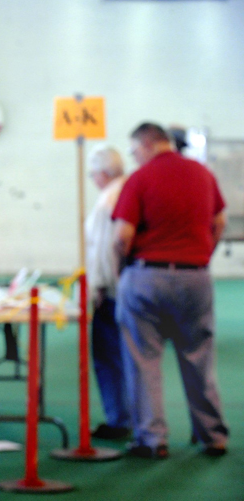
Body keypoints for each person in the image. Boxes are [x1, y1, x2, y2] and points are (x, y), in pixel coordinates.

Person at [112, 122, 228, 458]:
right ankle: (212, 435)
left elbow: (122, 236)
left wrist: (123, 270)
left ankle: (152, 438)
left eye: (134, 151)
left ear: (146, 145)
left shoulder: (141, 178)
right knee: (199, 356)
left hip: (147, 275)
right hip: (196, 277)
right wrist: (203, 255)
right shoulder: (202, 174)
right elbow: (219, 222)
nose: (135, 158)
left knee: (144, 359)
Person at [84, 144, 132, 440]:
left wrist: (98, 286)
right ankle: (132, 417)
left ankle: (118, 418)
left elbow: (104, 251)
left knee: (108, 356)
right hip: (130, 286)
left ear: (101, 173)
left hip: (112, 291)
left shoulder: (107, 201)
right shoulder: (130, 189)